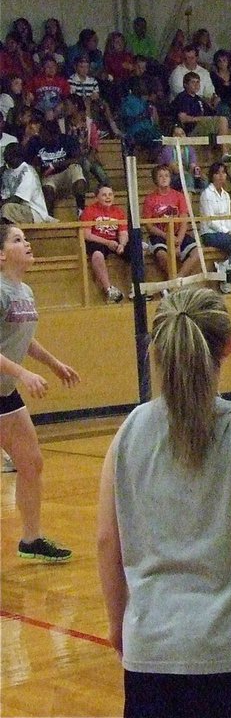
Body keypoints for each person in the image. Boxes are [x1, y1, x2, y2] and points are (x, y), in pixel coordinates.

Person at [97, 287, 231, 717]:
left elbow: (107, 540)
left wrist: (117, 621)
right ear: (229, 347)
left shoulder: (128, 431)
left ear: (157, 352)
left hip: (152, 654)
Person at [1, 224, 79, 562]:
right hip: (8, 382)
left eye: (25, 237)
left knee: (31, 463)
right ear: (2, 254)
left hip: (4, 394)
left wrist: (52, 363)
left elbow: (22, 338)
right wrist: (22, 373)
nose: (27, 243)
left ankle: (31, 540)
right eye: (17, 240)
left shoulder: (25, 291)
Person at [199, 161, 231, 294]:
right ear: (212, 176)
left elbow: (228, 219)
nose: (221, 176)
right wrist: (229, 232)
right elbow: (210, 221)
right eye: (217, 173)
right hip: (210, 233)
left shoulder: (226, 195)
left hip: (224, 232)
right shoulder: (207, 194)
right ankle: (227, 275)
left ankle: (225, 269)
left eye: (223, 172)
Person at [142, 164, 201, 282]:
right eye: (160, 176)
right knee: (162, 255)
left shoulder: (179, 196)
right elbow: (149, 225)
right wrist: (168, 237)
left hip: (178, 233)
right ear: (155, 179)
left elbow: (184, 219)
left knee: (197, 252)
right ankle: (173, 281)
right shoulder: (150, 199)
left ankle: (177, 280)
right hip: (160, 235)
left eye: (166, 175)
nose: (164, 178)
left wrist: (178, 240)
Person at [81, 185, 130, 304]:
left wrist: (122, 245)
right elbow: (86, 234)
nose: (108, 197)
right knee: (97, 254)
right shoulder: (89, 211)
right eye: (104, 195)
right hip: (98, 240)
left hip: (115, 240)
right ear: (97, 197)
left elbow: (123, 233)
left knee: (136, 251)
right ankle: (109, 289)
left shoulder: (118, 211)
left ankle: (136, 286)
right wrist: (107, 242)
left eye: (110, 194)